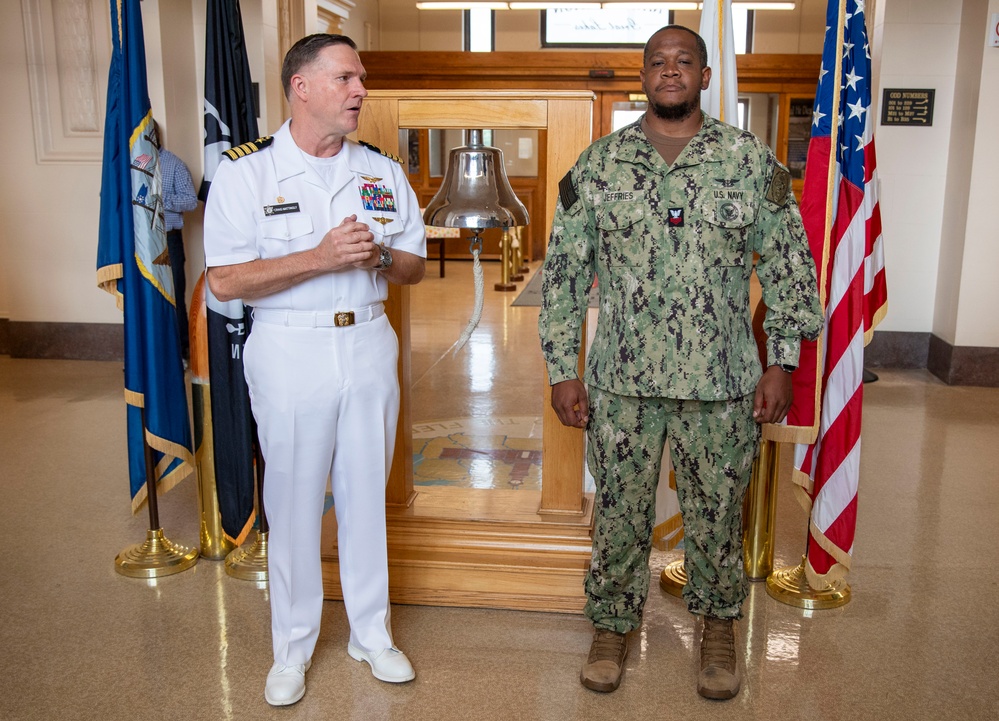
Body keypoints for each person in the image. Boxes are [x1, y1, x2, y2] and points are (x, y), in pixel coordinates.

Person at [538, 25, 823, 700]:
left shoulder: (747, 162)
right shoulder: (599, 165)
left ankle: (718, 627)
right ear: (644, 75)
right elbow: (564, 276)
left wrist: (780, 360)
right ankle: (611, 624)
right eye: (657, 62)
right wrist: (561, 367)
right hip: (622, 381)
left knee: (717, 513)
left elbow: (788, 268)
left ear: (701, 75)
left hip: (720, 382)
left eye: (683, 61)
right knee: (618, 510)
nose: (670, 71)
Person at [203, 34, 426, 707]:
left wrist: (379, 259)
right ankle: (293, 646)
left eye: (361, 78)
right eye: (345, 78)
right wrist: (320, 256)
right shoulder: (248, 173)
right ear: (301, 87)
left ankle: (370, 632)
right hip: (289, 349)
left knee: (365, 496)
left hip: (367, 342)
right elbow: (222, 281)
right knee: (294, 502)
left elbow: (412, 262)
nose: (360, 90)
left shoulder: (382, 171)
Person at [158, 139, 199, 363]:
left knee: (174, 297)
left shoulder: (174, 165)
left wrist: (161, 200)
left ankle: (181, 353)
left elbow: (191, 201)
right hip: (140, 241)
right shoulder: (132, 166)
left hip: (168, 239)